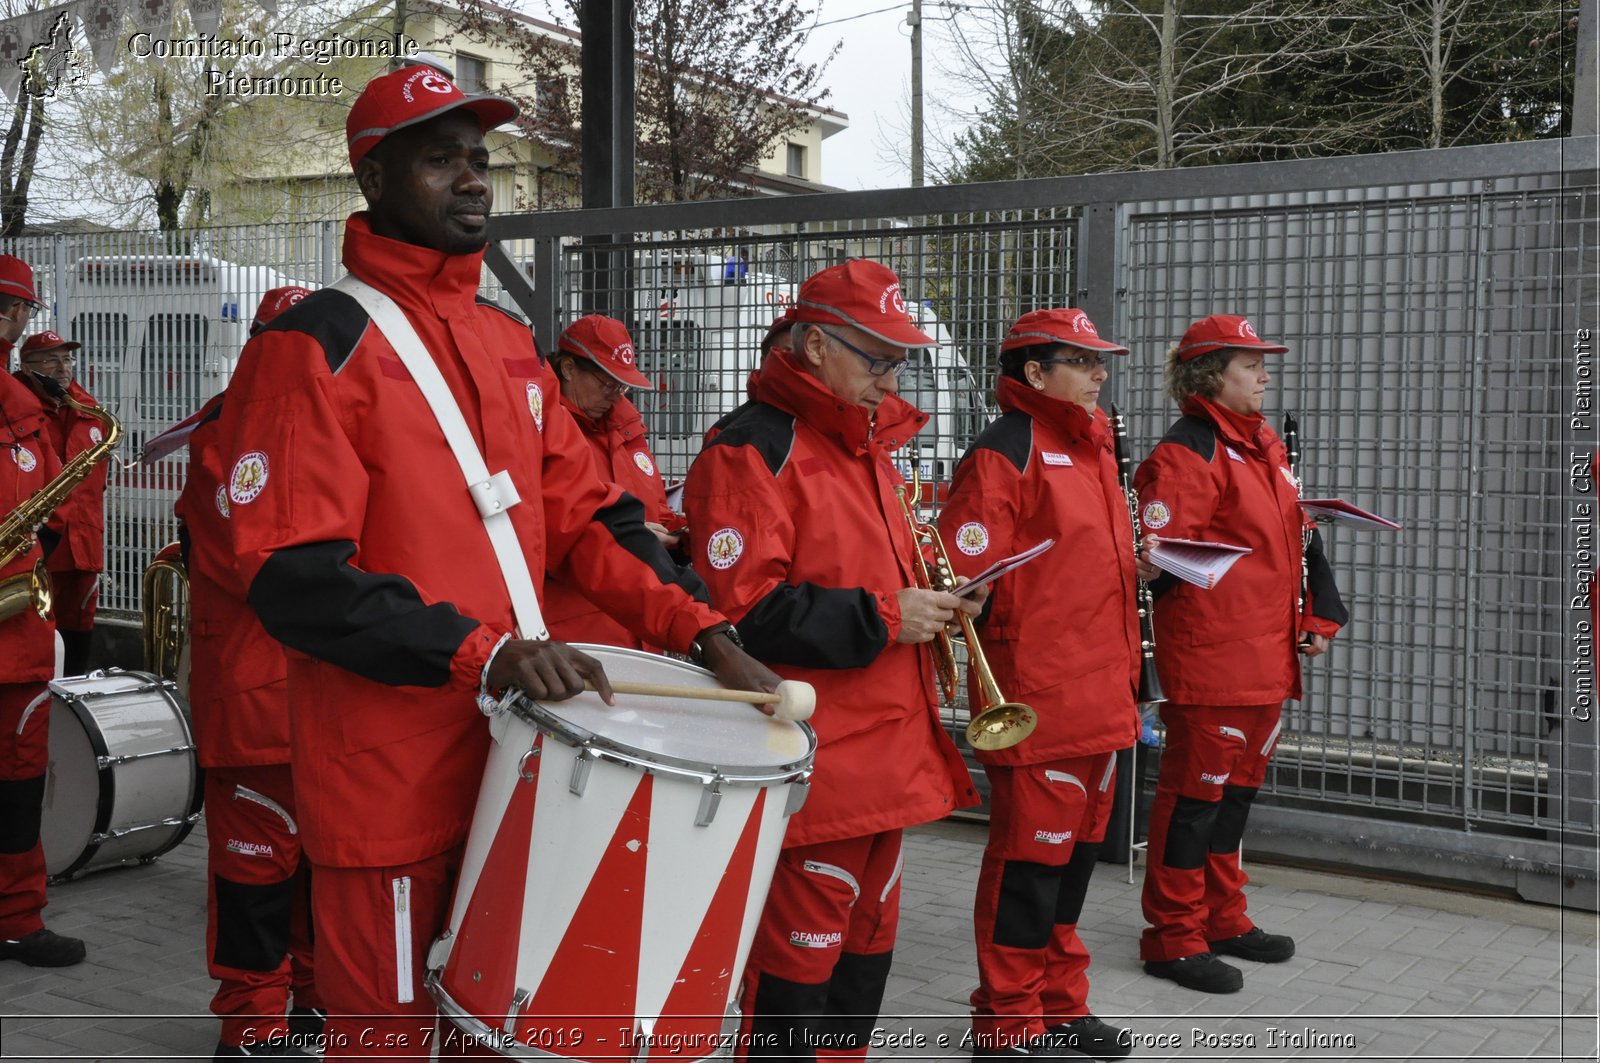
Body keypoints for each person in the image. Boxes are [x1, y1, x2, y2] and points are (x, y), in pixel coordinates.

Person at [215, 67, 776, 1060]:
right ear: (374, 176)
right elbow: (294, 576)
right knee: (385, 1039)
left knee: (509, 1032)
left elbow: (589, 518)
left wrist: (707, 632)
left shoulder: (509, 342)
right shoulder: (315, 346)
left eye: (480, 160)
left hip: (522, 767)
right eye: (441, 159)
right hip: (385, 775)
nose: (473, 180)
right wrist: (485, 653)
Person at [684, 258, 980, 1060]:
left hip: (885, 752)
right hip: (820, 760)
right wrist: (889, 615)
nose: (890, 378)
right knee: (794, 981)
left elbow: (873, 572)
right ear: (815, 345)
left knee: (864, 959)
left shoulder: (866, 444)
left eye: (898, 361)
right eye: (876, 357)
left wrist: (936, 601)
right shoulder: (753, 448)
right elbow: (739, 610)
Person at [937, 309, 1151, 1059]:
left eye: (1101, 362)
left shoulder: (1095, 447)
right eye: (1083, 361)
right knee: (1030, 867)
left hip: (1102, 694)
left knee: (1071, 866)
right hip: (1042, 697)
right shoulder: (1007, 450)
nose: (1100, 374)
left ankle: (1059, 1004)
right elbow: (966, 573)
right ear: (1033, 372)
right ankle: (1006, 1023)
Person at [1133, 314, 1347, 994]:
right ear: (1209, 375)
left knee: (1234, 800)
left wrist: (1319, 612)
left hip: (1265, 657)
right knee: (1193, 801)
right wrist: (1159, 558)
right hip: (1215, 661)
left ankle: (1222, 916)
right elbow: (1160, 560)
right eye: (1251, 364)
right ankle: (1172, 936)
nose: (1265, 373)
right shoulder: (1185, 453)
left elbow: (1298, 534)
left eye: (1263, 362)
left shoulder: (1265, 446)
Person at [174, 286, 321, 1059]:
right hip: (257, 699)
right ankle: (253, 1028)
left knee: (315, 879)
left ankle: (305, 1013)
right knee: (256, 879)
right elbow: (266, 558)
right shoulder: (225, 438)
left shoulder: (309, 427)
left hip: (316, 700)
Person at [0, 254, 85, 969]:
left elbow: (49, 509)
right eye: (5, 305)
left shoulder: (29, 408)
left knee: (21, 785)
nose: (12, 318)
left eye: (17, 306)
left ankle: (18, 919)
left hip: (18, 634)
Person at [543, 313, 682, 647]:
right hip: (577, 631)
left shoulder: (625, 427)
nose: (615, 395)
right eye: (607, 382)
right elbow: (536, 531)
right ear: (568, 369)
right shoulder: (543, 429)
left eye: (621, 385)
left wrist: (683, 532)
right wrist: (627, 535)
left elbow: (656, 510)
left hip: (639, 623)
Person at [13, 329, 107, 677]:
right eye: (51, 359)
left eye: (66, 359)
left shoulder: (89, 409)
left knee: (78, 635)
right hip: (36, 546)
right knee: (35, 639)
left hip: (83, 546)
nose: (62, 367)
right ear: (27, 366)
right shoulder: (15, 409)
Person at [704, 305, 795, 443]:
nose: (797, 363)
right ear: (763, 362)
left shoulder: (829, 423)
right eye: (787, 353)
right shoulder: (726, 435)